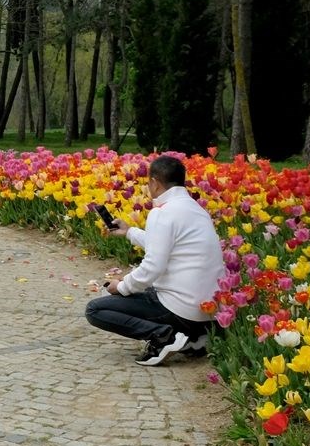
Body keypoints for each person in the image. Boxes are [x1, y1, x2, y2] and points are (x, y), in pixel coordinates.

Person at [85, 155, 224, 366]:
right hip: (206, 312)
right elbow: (166, 245)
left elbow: (153, 266)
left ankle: (164, 337)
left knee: (95, 309)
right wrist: (130, 232)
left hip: (180, 309)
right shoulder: (197, 210)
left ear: (155, 183)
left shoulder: (163, 212)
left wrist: (121, 287)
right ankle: (195, 338)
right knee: (145, 290)